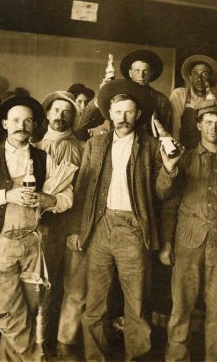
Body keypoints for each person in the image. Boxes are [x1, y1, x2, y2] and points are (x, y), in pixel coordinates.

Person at [67, 79, 177, 361]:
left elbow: (162, 192)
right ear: (109, 114)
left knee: (136, 305)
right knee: (95, 305)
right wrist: (77, 229)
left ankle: (136, 357)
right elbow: (81, 190)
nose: (123, 118)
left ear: (138, 114)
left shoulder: (151, 146)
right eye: (117, 112)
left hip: (133, 230)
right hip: (99, 228)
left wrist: (169, 168)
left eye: (128, 112)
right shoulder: (96, 144)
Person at [0, 95, 76, 361]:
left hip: (35, 244)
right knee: (9, 315)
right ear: (4, 123)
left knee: (32, 312)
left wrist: (49, 200)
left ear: (34, 126)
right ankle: (35, 358)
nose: (21, 125)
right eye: (15, 120)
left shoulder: (44, 158)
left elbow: (67, 196)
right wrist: (6, 196)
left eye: (27, 121)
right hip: (0, 245)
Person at [158, 95, 217, 361]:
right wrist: (166, 243)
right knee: (181, 310)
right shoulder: (184, 159)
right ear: (198, 125)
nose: (213, 128)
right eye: (208, 122)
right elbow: (166, 199)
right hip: (188, 242)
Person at [33, 91, 86, 359]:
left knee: (75, 287)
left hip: (74, 227)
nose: (60, 116)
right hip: (44, 229)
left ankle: (66, 342)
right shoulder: (34, 147)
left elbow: (86, 194)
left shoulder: (84, 149)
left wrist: (77, 228)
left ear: (74, 118)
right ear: (46, 114)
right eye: (55, 110)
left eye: (67, 112)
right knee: (42, 285)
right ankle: (40, 341)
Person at [75, 49, 171, 140]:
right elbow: (82, 124)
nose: (141, 75)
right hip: (117, 147)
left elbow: (165, 132)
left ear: (152, 73)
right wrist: (101, 94)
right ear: (130, 73)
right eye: (137, 70)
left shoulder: (160, 99)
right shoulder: (116, 95)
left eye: (145, 71)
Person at [170, 54, 217, 150]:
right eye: (195, 73)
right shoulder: (180, 94)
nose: (199, 79)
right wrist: (177, 153)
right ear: (190, 77)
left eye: (204, 74)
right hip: (184, 151)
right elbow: (175, 128)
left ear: (210, 77)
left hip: (209, 152)